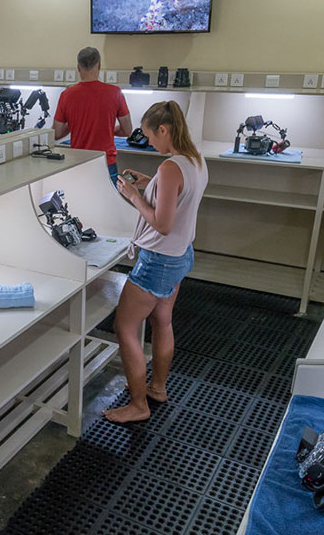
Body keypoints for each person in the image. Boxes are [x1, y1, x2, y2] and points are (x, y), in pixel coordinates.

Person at [103, 101, 208, 424]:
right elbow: (179, 194)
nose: (149, 143)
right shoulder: (194, 160)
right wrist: (149, 183)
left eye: (151, 136)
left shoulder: (170, 168)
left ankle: (138, 405)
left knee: (125, 327)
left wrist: (134, 196)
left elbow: (161, 223)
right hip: (180, 256)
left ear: (164, 130)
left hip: (158, 259)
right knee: (163, 320)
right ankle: (157, 388)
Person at [53, 47, 132, 184]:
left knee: (80, 203)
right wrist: (106, 130)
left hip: (78, 163)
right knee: (107, 203)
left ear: (78, 67)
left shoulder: (67, 95)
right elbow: (127, 130)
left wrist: (75, 125)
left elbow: (57, 133)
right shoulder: (115, 93)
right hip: (106, 163)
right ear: (99, 66)